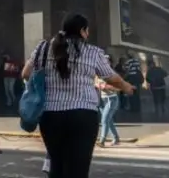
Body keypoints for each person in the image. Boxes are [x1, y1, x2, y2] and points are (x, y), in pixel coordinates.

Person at [21, 14, 134, 177]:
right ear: (82, 31)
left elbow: (25, 73)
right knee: (78, 168)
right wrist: (126, 86)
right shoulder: (93, 52)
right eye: (87, 30)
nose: (88, 34)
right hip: (83, 116)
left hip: (50, 116)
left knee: (56, 165)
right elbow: (111, 77)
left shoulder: (43, 48)